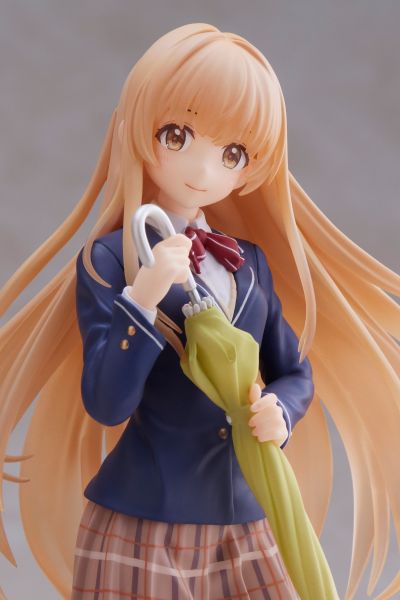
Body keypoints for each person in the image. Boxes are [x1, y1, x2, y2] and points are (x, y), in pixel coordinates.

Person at [0, 23, 399, 600]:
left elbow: (294, 369)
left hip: (243, 514)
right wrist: (142, 297)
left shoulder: (250, 265)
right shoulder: (111, 260)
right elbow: (107, 403)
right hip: (146, 517)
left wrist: (282, 410)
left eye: (232, 153)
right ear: (140, 129)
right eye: (178, 135)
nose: (204, 169)